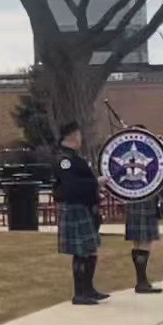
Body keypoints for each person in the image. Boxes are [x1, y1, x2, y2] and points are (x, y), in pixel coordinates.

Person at [53, 122, 109, 305]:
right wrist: (96, 183)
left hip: (84, 206)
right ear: (72, 136)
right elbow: (72, 185)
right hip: (73, 207)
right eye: (79, 134)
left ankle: (89, 289)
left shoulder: (75, 157)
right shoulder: (64, 159)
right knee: (81, 251)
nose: (81, 138)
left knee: (90, 249)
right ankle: (79, 294)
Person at [123, 195, 163, 294]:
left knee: (137, 242)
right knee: (145, 242)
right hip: (146, 200)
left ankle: (141, 282)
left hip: (133, 199)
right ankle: (142, 283)